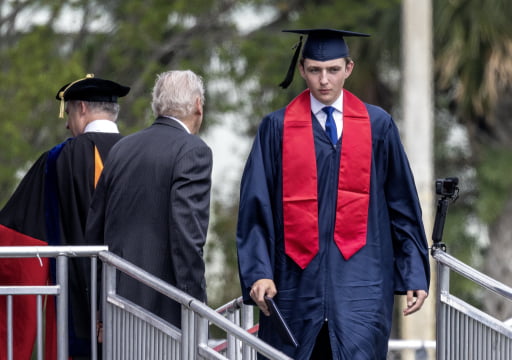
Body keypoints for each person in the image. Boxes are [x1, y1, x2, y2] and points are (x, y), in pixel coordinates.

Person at [236, 28, 430, 360]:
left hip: (362, 286)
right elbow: (256, 207)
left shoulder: (377, 126)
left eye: (333, 70)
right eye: (314, 70)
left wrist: (414, 271)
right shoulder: (277, 128)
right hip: (294, 284)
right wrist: (259, 271)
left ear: (348, 68)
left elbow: (403, 205)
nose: (324, 80)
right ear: (302, 70)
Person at [0, 74, 130, 359]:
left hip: (77, 307)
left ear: (82, 108)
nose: (68, 123)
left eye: (69, 113)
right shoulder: (139, 155)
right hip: (135, 306)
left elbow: (19, 233)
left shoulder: (59, 158)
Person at [85, 70, 212, 328]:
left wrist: (100, 307)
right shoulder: (193, 151)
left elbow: (95, 233)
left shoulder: (122, 148)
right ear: (198, 105)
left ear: (157, 104)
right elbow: (187, 237)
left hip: (117, 304)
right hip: (166, 312)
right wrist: (196, 305)